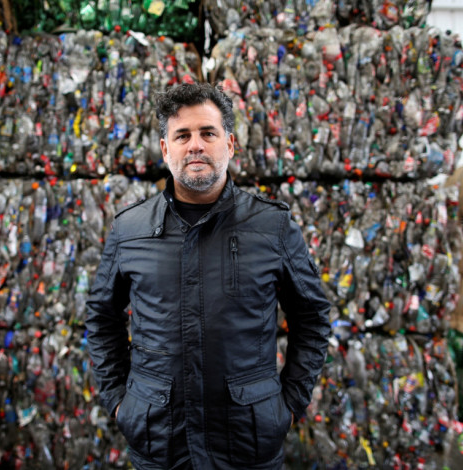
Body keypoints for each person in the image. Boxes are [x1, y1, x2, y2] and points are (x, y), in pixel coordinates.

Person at [85, 82, 331, 470]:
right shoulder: (129, 230)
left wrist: (289, 403)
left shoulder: (272, 226)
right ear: (166, 150)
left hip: (248, 443)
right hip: (161, 443)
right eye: (182, 135)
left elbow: (312, 317)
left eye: (207, 133)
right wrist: (120, 401)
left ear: (229, 145)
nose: (195, 145)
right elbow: (101, 318)